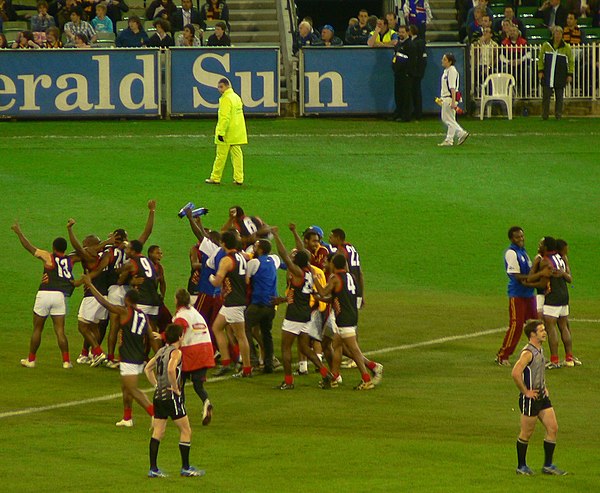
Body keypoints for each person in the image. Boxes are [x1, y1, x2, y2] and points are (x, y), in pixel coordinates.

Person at [82, 274, 156, 427]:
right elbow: (150, 336)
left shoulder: (124, 312)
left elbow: (104, 302)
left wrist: (90, 284)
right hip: (136, 355)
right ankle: (127, 418)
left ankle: (155, 413)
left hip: (129, 356)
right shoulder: (143, 316)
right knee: (125, 388)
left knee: (132, 389)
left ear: (128, 300)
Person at [271, 227, 334, 390]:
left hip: (294, 315)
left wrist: (277, 235)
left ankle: (289, 381)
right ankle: (325, 372)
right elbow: (303, 251)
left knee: (286, 348)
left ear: (296, 262)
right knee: (306, 347)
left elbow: (284, 254)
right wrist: (294, 232)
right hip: (307, 313)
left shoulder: (298, 272)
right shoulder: (310, 272)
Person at [314, 254, 383, 390]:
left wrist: (315, 279)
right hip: (351, 315)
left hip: (344, 318)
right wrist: (320, 299)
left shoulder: (335, 278)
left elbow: (323, 292)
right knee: (337, 345)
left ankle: (368, 377)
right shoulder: (351, 276)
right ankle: (334, 377)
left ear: (334, 264)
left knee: (354, 351)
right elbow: (336, 297)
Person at [12, 222, 76, 369]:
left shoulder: (48, 256)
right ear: (65, 249)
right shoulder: (70, 259)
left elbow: (29, 247)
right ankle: (66, 361)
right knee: (60, 331)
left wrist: (19, 232)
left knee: (37, 329)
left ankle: (31, 360)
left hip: (45, 294)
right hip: (60, 296)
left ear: (54, 247)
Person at [145, 324, 205, 478]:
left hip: (158, 396)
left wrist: (157, 385)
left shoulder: (161, 351)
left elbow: (147, 368)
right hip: (171, 397)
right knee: (186, 430)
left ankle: (153, 469)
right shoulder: (176, 353)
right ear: (179, 337)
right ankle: (185, 467)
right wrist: (175, 388)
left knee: (158, 431)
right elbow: (172, 369)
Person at [511, 320, 567, 476]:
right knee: (526, 433)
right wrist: (526, 391)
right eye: (541, 330)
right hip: (530, 399)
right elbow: (515, 373)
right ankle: (521, 466)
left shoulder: (540, 349)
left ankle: (548, 465)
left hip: (542, 397)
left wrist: (544, 386)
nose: (544, 332)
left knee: (553, 428)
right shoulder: (527, 353)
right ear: (532, 334)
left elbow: (537, 372)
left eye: (544, 330)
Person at [527, 237, 580, 369]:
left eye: (542, 244)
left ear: (546, 247)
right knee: (564, 326)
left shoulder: (545, 261)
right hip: (564, 296)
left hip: (552, 297)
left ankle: (554, 360)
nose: (539, 245)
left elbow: (538, 280)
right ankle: (569, 358)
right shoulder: (560, 258)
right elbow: (569, 277)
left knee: (550, 328)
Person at [208, 230, 252, 377]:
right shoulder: (242, 257)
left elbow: (217, 282)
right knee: (217, 327)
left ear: (224, 244)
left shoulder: (226, 260)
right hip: (233, 301)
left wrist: (210, 277)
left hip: (234, 303)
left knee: (241, 336)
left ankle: (246, 369)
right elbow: (246, 280)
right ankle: (226, 362)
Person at [172, 289, 215, 426]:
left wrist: (162, 337)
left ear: (177, 300)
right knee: (198, 385)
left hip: (191, 352)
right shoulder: (195, 313)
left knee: (180, 383)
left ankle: (181, 412)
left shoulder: (181, 316)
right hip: (206, 349)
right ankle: (206, 402)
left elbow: (177, 333)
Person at [496, 226, 537, 366]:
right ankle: (503, 355)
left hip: (529, 294)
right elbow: (516, 275)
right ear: (512, 239)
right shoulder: (511, 253)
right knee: (517, 325)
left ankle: (535, 355)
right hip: (517, 295)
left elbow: (529, 272)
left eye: (522, 236)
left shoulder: (523, 252)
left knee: (535, 325)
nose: (521, 239)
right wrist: (536, 277)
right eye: (517, 237)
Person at [245, 238, 280, 373]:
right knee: (267, 333)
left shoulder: (254, 263)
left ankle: (253, 360)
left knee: (244, 328)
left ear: (260, 250)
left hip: (258, 303)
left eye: (256, 246)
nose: (254, 247)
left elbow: (247, 280)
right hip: (271, 306)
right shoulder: (274, 260)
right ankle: (269, 364)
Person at [205, 78, 247, 186]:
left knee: (220, 156)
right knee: (237, 155)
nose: (219, 89)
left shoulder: (226, 99)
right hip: (237, 131)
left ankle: (215, 177)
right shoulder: (236, 97)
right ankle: (239, 178)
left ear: (226, 86)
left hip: (227, 132)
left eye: (221, 87)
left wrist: (221, 133)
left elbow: (225, 117)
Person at [538, 26, 574, 120]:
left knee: (559, 97)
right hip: (548, 73)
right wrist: (540, 70)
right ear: (553, 34)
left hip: (560, 75)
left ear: (562, 35)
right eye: (556, 33)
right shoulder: (546, 45)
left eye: (559, 33)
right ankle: (544, 115)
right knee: (546, 96)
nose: (557, 35)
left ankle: (558, 115)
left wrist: (570, 74)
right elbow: (541, 59)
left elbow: (571, 62)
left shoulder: (566, 47)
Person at [438, 52, 469, 147]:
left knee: (447, 119)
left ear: (450, 61)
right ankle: (449, 139)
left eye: (445, 59)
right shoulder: (447, 71)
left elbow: (452, 87)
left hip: (450, 97)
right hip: (447, 97)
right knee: (450, 119)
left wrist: (452, 101)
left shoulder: (451, 71)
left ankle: (461, 133)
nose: (442, 61)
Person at [391, 25, 416, 122]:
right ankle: (399, 113)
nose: (401, 34)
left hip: (406, 75)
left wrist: (408, 73)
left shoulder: (410, 45)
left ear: (407, 33)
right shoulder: (398, 44)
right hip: (398, 74)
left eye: (403, 32)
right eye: (399, 32)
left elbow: (412, 61)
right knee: (398, 95)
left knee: (406, 96)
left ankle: (406, 116)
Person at [409, 24, 427, 120]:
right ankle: (415, 113)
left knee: (416, 93)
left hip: (415, 72)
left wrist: (418, 71)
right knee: (414, 93)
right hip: (416, 71)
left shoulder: (418, 42)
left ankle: (417, 113)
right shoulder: (418, 42)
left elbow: (421, 59)